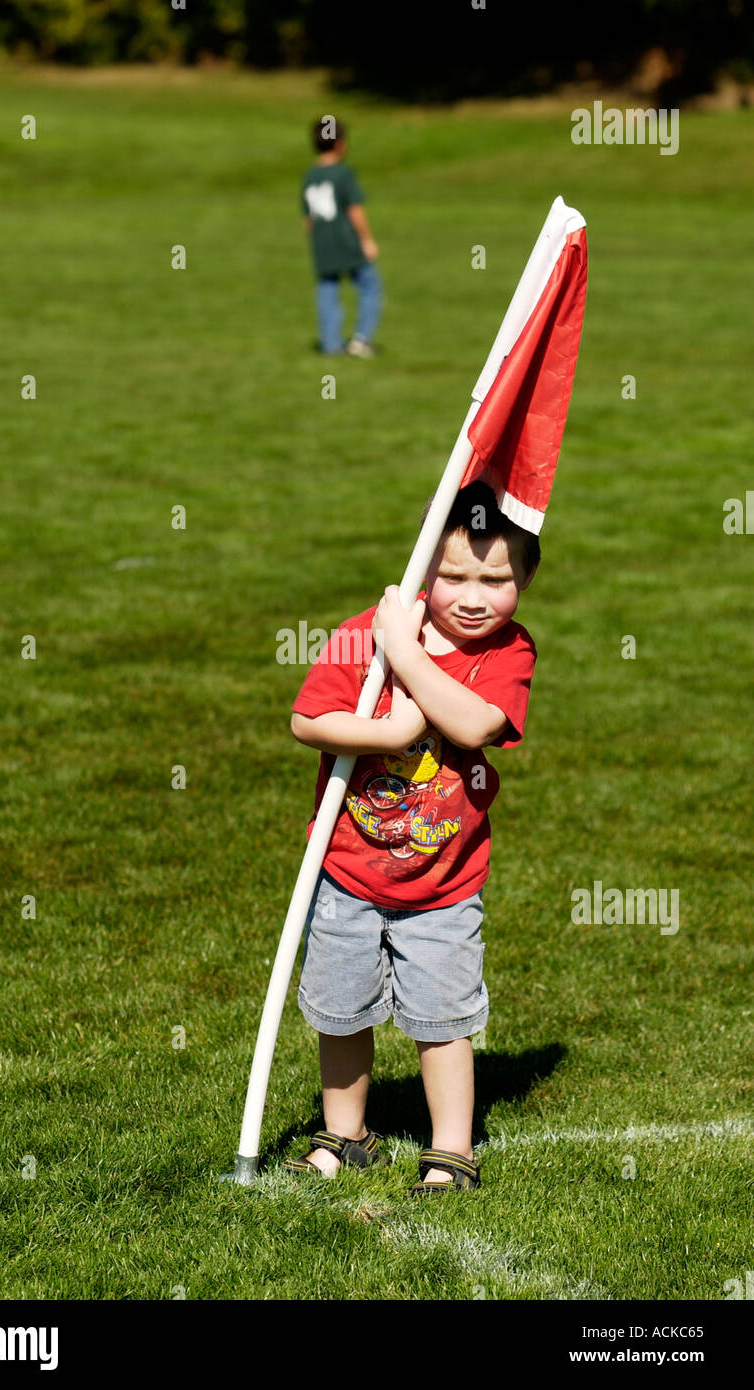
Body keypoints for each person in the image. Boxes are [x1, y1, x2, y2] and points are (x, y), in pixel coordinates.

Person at [285, 480, 539, 1195]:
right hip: (346, 872)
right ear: (424, 566)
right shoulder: (365, 630)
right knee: (339, 1010)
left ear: (525, 581)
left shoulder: (507, 654)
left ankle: (449, 1150)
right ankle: (345, 1134)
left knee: (442, 1019)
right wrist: (388, 731)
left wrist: (406, 649)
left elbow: (474, 724)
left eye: (496, 580)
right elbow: (307, 721)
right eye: (453, 574)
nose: (471, 595)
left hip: (443, 885)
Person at [301, 117, 382, 357]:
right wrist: (366, 240)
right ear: (339, 144)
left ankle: (330, 344)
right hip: (347, 241)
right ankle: (361, 339)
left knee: (327, 289)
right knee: (370, 284)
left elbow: (308, 219)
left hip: (322, 242)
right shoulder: (343, 174)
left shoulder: (310, 176)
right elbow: (354, 210)